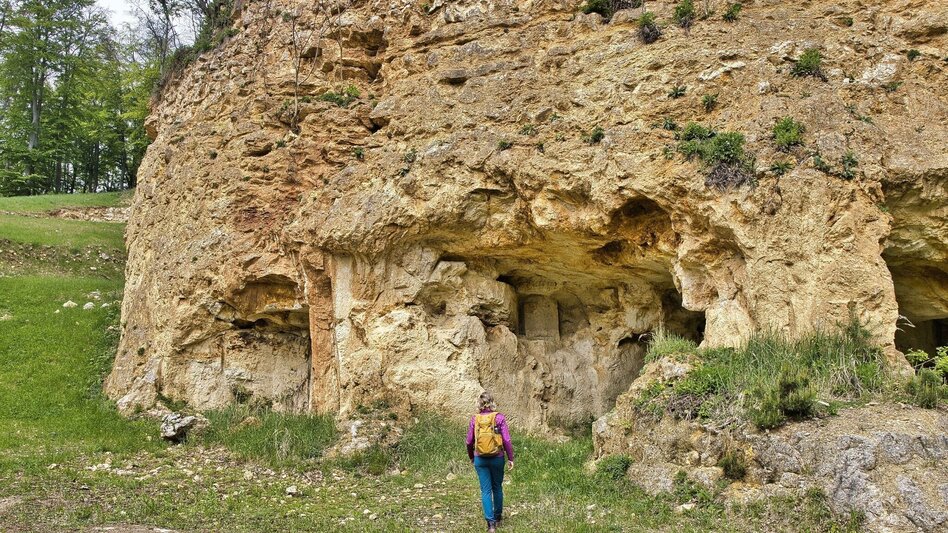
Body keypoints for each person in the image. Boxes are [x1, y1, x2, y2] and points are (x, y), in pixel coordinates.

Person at [466, 391, 514, 532]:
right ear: (492, 402)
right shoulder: (499, 418)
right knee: (497, 487)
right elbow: (506, 440)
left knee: (485, 490)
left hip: (480, 458)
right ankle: (498, 516)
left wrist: (471, 456)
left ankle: (490, 525)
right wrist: (510, 458)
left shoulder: (475, 419)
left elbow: (469, 441)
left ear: (479, 404)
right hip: (497, 457)